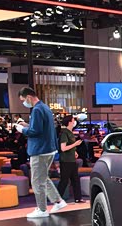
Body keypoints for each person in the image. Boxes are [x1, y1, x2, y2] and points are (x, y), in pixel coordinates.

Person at [16, 87, 65, 218]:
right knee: (43, 178)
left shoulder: (37, 110)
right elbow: (40, 128)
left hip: (39, 150)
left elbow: (35, 132)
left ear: (28, 97)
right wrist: (26, 125)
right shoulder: (44, 107)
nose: (23, 103)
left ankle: (42, 209)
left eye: (23, 100)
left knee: (37, 181)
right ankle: (58, 201)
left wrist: (22, 129)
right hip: (48, 149)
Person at [57, 115, 83, 203]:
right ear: (69, 122)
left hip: (72, 160)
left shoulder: (70, 132)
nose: (74, 122)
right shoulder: (64, 133)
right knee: (64, 181)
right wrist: (75, 144)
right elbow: (63, 148)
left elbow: (70, 146)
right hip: (65, 160)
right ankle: (57, 199)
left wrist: (74, 152)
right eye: (73, 120)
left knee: (75, 180)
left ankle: (78, 198)